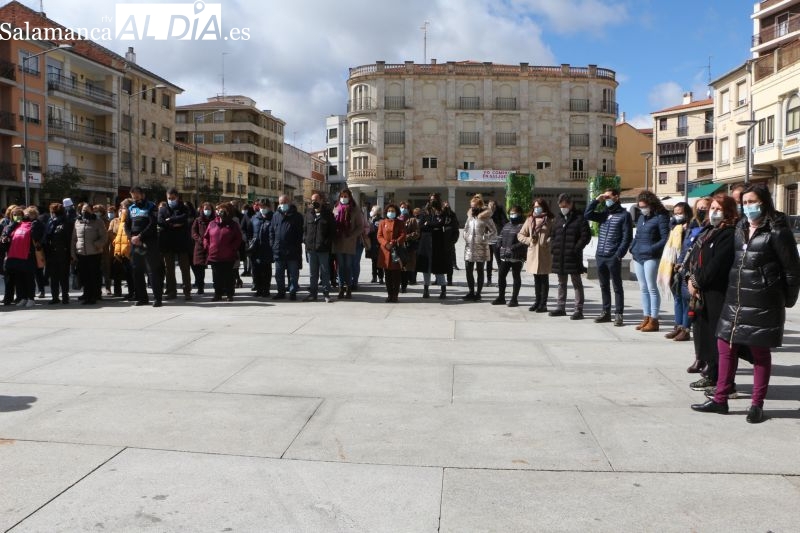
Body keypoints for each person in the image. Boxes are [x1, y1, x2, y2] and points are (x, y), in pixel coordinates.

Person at [692, 185, 800, 423]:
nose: (748, 206)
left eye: (753, 202)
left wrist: (787, 300)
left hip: (763, 299)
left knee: (759, 352)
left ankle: (757, 405)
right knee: (725, 346)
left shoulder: (777, 231)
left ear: (764, 203)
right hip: (735, 298)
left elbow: (792, 270)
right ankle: (720, 399)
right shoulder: (740, 228)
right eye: (745, 202)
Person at [681, 195, 737, 393]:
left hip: (717, 292)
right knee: (704, 334)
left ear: (728, 211)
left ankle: (724, 381)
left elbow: (717, 265)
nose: (713, 212)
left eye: (718, 208)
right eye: (711, 208)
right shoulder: (709, 231)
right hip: (702, 292)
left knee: (718, 338)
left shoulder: (729, 233)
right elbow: (695, 256)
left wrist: (696, 281)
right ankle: (711, 373)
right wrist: (690, 277)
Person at [584, 188, 633, 326]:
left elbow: (627, 237)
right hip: (600, 255)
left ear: (616, 197)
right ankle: (606, 312)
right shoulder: (604, 214)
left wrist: (619, 254)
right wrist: (596, 200)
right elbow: (587, 214)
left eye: (608, 197)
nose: (606, 199)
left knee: (617, 286)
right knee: (603, 285)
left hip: (613, 256)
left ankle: (619, 314)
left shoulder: (624, 215)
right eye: (605, 197)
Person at [630, 191, 670, 332]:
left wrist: (651, 249)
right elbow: (638, 235)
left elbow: (665, 238)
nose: (642, 209)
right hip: (638, 256)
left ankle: (654, 319)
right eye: (640, 206)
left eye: (644, 206)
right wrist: (632, 248)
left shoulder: (661, 217)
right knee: (643, 288)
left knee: (652, 287)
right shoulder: (641, 218)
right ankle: (646, 317)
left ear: (651, 204)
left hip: (652, 256)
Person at [548, 193, 591, 319]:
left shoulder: (579, 219)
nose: (563, 208)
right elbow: (553, 235)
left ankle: (578, 309)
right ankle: (560, 307)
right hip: (559, 257)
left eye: (565, 205)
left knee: (576, 283)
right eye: (561, 206)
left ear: (571, 204)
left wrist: (575, 249)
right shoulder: (558, 219)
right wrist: (553, 248)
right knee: (561, 283)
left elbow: (585, 237)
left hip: (573, 257)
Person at [658, 202, 694, 343]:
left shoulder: (691, 226)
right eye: (675, 212)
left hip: (684, 265)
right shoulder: (673, 226)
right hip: (672, 265)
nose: (677, 214)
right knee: (677, 297)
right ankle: (678, 326)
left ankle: (685, 328)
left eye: (680, 212)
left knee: (685, 299)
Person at [125, 186, 164, 307]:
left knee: (152, 271)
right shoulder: (131, 208)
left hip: (148, 243)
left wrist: (140, 237)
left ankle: (157, 298)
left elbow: (152, 224)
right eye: (133, 196)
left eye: (137, 195)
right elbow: (127, 225)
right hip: (135, 243)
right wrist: (131, 237)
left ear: (142, 195)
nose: (135, 198)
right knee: (137, 271)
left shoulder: (151, 206)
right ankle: (142, 298)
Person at [0, 206, 44, 307]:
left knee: (29, 278)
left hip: (28, 256)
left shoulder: (34, 224)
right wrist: (14, 224)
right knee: (19, 279)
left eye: (20, 215)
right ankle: (23, 297)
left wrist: (34, 221)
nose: (18, 217)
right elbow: (7, 235)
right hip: (15, 256)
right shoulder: (15, 225)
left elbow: (36, 235)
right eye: (15, 215)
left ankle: (30, 298)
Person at [418, 193, 457, 299]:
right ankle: (426, 289)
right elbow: (421, 226)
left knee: (438, 268)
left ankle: (443, 289)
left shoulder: (442, 212)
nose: (432, 201)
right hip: (426, 242)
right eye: (431, 199)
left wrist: (428, 224)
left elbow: (440, 224)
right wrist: (431, 224)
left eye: (434, 199)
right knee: (426, 267)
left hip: (438, 243)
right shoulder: (425, 211)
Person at [518, 197, 554, 312]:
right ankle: (537, 302)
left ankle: (543, 304)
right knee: (536, 279)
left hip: (544, 253)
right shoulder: (529, 219)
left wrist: (548, 241)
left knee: (544, 279)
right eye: (535, 206)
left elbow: (555, 235)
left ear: (544, 207)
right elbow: (520, 235)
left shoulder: (550, 220)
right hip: (533, 253)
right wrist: (529, 241)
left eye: (539, 206)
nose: (537, 208)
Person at [158, 188, 194, 301]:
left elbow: (185, 218)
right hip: (168, 243)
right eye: (169, 198)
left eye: (173, 198)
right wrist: (174, 224)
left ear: (177, 197)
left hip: (182, 242)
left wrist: (170, 220)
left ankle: (187, 291)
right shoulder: (162, 209)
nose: (171, 200)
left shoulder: (184, 208)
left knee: (185, 268)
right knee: (169, 269)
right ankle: (171, 291)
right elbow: (160, 221)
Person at [203, 203, 242, 301]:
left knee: (229, 276)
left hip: (228, 256)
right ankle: (217, 294)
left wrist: (232, 248)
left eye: (223, 210)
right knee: (216, 277)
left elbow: (238, 238)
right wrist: (208, 247)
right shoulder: (212, 223)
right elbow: (206, 237)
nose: (220, 212)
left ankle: (229, 294)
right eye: (219, 210)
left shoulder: (233, 224)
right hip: (214, 256)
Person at [461, 194, 496, 301]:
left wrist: (484, 238)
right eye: (471, 207)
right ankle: (471, 291)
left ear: (479, 206)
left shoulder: (486, 218)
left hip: (481, 247)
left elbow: (494, 231)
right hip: (469, 247)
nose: (472, 209)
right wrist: (466, 237)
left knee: (480, 270)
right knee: (468, 270)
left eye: (474, 207)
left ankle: (478, 293)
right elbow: (465, 229)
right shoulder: (470, 218)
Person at [71, 203, 107, 305]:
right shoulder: (78, 221)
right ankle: (87, 294)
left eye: (87, 210)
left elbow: (104, 237)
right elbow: (74, 239)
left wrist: (97, 245)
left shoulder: (98, 221)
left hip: (94, 253)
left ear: (92, 210)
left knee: (93, 275)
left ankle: (94, 295)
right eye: (83, 210)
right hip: (81, 253)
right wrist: (73, 253)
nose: (84, 212)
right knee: (84, 275)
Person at [269, 195, 304, 300]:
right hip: (279, 250)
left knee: (293, 274)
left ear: (289, 202)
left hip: (292, 251)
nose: (282, 204)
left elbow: (300, 233)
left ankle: (292, 292)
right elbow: (271, 231)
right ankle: (281, 292)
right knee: (278, 274)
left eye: (285, 202)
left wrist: (296, 245)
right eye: (280, 202)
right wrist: (273, 244)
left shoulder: (297, 216)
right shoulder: (275, 215)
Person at [331, 189, 364, 299]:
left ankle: (349, 288)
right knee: (340, 267)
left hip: (350, 242)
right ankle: (341, 289)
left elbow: (360, 227)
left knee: (348, 266)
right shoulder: (336, 208)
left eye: (346, 196)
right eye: (342, 196)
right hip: (338, 242)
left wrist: (352, 235)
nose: (344, 198)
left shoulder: (355, 209)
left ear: (350, 197)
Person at [491, 205, 526, 306]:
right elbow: (501, 236)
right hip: (505, 256)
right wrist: (498, 244)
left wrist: (513, 247)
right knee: (501, 275)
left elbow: (523, 241)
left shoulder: (522, 226)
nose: (512, 215)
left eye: (514, 213)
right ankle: (501, 297)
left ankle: (514, 299)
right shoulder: (507, 225)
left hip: (516, 256)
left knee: (516, 276)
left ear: (519, 213)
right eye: (511, 213)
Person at [303, 193, 335, 302]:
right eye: (312, 200)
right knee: (313, 273)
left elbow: (332, 232)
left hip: (323, 249)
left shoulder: (328, 215)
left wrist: (326, 243)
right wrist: (306, 242)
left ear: (321, 200)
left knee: (325, 272)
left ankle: (326, 294)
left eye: (316, 199)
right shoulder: (308, 214)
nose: (314, 202)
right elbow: (305, 230)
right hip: (311, 249)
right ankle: (313, 294)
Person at [43, 202, 74, 304]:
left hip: (63, 252)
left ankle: (65, 296)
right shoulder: (50, 222)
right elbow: (46, 237)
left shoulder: (66, 222)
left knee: (63, 276)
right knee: (54, 277)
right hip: (52, 253)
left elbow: (69, 239)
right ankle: (55, 297)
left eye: (52, 211)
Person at [376, 203, 407, 302]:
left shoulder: (400, 222)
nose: (391, 213)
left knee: (396, 275)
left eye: (393, 211)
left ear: (396, 212)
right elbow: (379, 236)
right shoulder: (382, 222)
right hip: (385, 251)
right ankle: (389, 294)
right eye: (389, 211)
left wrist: (395, 242)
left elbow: (403, 234)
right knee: (387, 275)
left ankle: (395, 295)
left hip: (396, 251)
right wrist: (386, 244)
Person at [109, 199, 134, 300]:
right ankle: (131, 292)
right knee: (128, 274)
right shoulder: (122, 219)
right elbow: (119, 235)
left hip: (130, 250)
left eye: (123, 207)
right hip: (123, 250)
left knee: (132, 274)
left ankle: (135, 292)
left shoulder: (132, 218)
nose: (121, 209)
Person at [250, 200, 274, 298]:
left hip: (267, 248)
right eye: (261, 206)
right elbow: (248, 230)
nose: (262, 209)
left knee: (266, 271)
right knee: (256, 271)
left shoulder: (273, 217)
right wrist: (249, 241)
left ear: (269, 207)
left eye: (264, 207)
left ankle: (266, 289)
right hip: (256, 249)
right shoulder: (254, 218)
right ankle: (258, 289)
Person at [191, 202, 214, 295]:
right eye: (205, 209)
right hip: (200, 247)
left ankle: (218, 287)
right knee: (199, 269)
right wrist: (200, 240)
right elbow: (193, 232)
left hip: (212, 247)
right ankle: (200, 287)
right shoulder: (198, 220)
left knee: (216, 268)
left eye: (209, 209)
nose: (207, 211)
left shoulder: (215, 220)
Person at [398, 201, 420, 293]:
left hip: (408, 247)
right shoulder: (397, 219)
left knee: (406, 268)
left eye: (405, 208)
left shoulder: (413, 220)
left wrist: (406, 237)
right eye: (402, 207)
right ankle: (398, 285)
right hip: (398, 247)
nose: (403, 209)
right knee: (398, 267)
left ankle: (404, 286)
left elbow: (417, 233)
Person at [486, 200, 508, 287]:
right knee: (489, 261)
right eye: (489, 205)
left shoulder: (500, 214)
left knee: (499, 261)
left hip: (497, 240)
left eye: (493, 205)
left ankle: (501, 280)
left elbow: (504, 224)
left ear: (495, 205)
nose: (491, 207)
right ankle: (489, 280)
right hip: (488, 240)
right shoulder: (486, 214)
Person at [442, 201, 460, 287]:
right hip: (440, 242)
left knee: (449, 263)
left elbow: (456, 229)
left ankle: (449, 280)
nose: (446, 207)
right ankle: (438, 279)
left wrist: (453, 240)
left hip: (449, 243)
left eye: (447, 205)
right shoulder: (440, 214)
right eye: (444, 206)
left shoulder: (452, 215)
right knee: (439, 262)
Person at [367, 205, 383, 284]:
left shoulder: (381, 220)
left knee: (379, 261)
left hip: (379, 243)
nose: (371, 212)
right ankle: (374, 277)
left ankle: (380, 277)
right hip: (372, 243)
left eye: (372, 210)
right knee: (374, 261)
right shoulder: (370, 220)